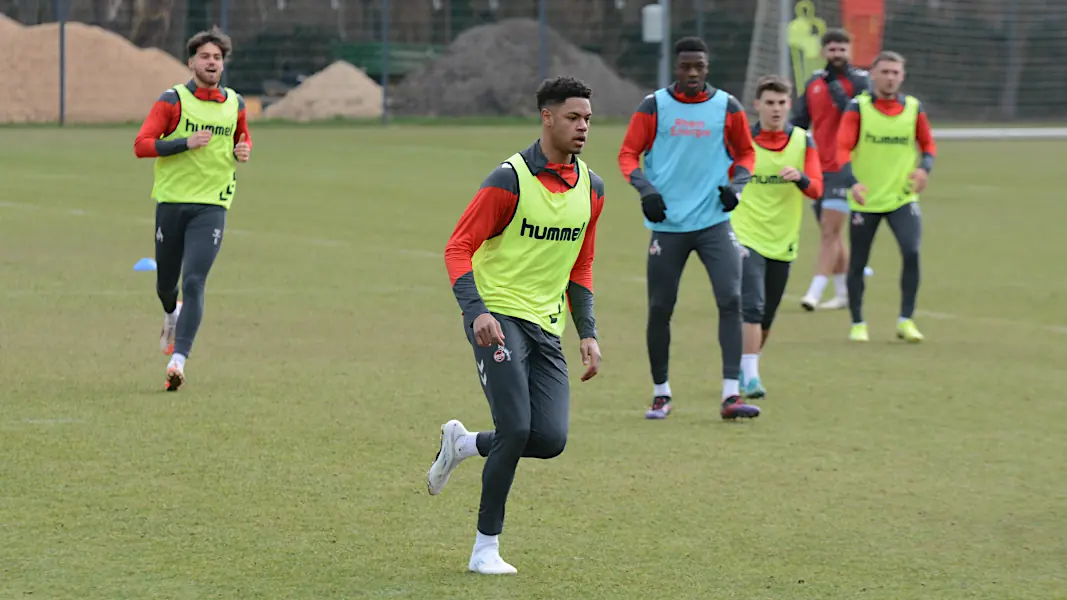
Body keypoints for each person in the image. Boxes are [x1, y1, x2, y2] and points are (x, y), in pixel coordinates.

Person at [427, 76, 604, 575]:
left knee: (548, 439)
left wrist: (586, 331)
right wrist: (476, 310)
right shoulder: (509, 180)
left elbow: (581, 268)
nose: (583, 127)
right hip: (498, 318)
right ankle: (485, 549)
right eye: (573, 117)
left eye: (588, 118)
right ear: (546, 117)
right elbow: (457, 247)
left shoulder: (592, 187)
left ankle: (463, 444)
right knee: (517, 426)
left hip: (548, 325)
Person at [617, 36, 759, 421]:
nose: (692, 72)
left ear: (707, 66)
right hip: (668, 226)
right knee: (661, 307)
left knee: (731, 299)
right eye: (686, 66)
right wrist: (644, 188)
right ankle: (661, 393)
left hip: (714, 223)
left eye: (699, 66)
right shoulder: (655, 106)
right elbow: (628, 154)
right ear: (675, 68)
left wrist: (737, 186)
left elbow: (746, 152)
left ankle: (731, 395)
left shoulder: (727, 106)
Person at [133, 26, 252, 391]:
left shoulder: (236, 103)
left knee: (195, 280)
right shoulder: (172, 101)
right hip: (172, 202)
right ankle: (172, 312)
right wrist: (184, 142)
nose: (212, 62)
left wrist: (244, 149)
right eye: (205, 57)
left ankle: (178, 360)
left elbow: (241, 136)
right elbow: (142, 145)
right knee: (166, 285)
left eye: (217, 57)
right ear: (191, 62)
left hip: (212, 204)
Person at [732, 76, 823, 399]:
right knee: (753, 306)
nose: (776, 109)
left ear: (789, 106)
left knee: (767, 313)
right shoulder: (742, 139)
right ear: (757, 105)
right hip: (745, 234)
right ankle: (751, 377)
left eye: (782, 103)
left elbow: (817, 189)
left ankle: (745, 366)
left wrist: (800, 177)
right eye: (769, 102)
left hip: (783, 239)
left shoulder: (802, 141)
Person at [837, 51, 937, 342]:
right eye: (885, 72)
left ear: (902, 76)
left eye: (896, 72)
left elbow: (928, 145)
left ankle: (906, 320)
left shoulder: (914, 109)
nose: (890, 77)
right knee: (858, 261)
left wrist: (924, 169)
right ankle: (858, 323)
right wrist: (851, 182)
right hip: (865, 198)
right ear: (874, 75)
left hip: (901, 198)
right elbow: (842, 148)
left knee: (912, 251)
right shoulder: (859, 108)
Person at [789, 28, 871, 311]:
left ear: (849, 51)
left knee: (828, 232)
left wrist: (838, 90)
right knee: (831, 233)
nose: (837, 55)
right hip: (817, 166)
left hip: (845, 166)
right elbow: (800, 121)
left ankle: (814, 292)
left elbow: (861, 116)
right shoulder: (814, 83)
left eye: (842, 49)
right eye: (832, 50)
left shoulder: (861, 81)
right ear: (824, 52)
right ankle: (845, 294)